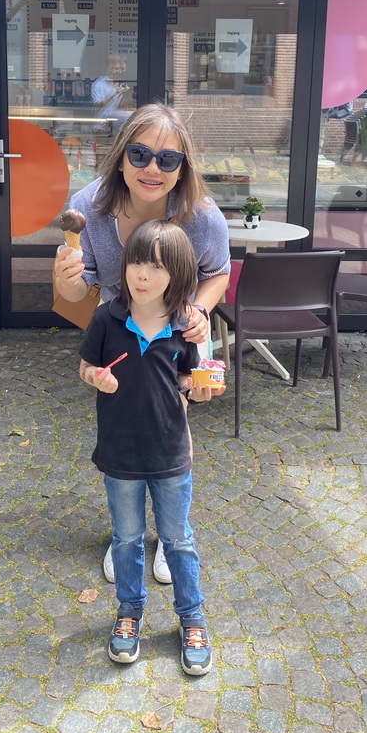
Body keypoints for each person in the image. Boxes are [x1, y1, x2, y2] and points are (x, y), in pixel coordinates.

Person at [54, 102, 231, 584]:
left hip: (182, 325)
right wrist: (67, 281)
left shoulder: (202, 216)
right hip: (120, 324)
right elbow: (77, 291)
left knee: (173, 416)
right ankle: (125, 535)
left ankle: (171, 535)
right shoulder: (89, 207)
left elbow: (218, 274)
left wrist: (197, 311)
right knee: (123, 421)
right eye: (140, 154)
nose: (152, 168)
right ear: (121, 158)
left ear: (182, 168)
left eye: (167, 160)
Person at [79, 220, 223, 674]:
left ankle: (191, 618)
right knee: (125, 539)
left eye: (156, 266)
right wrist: (95, 378)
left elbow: (187, 380)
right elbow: (85, 365)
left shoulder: (187, 327)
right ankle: (129, 613)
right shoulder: (107, 317)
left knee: (178, 540)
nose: (142, 275)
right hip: (120, 452)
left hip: (170, 453)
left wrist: (197, 392)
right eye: (137, 263)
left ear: (177, 274)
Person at [92, 54, 131, 134]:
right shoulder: (99, 84)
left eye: (122, 69)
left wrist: (127, 96)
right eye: (116, 69)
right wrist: (113, 94)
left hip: (118, 127)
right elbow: (97, 107)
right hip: (101, 128)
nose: (120, 72)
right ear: (109, 68)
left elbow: (123, 108)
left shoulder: (123, 85)